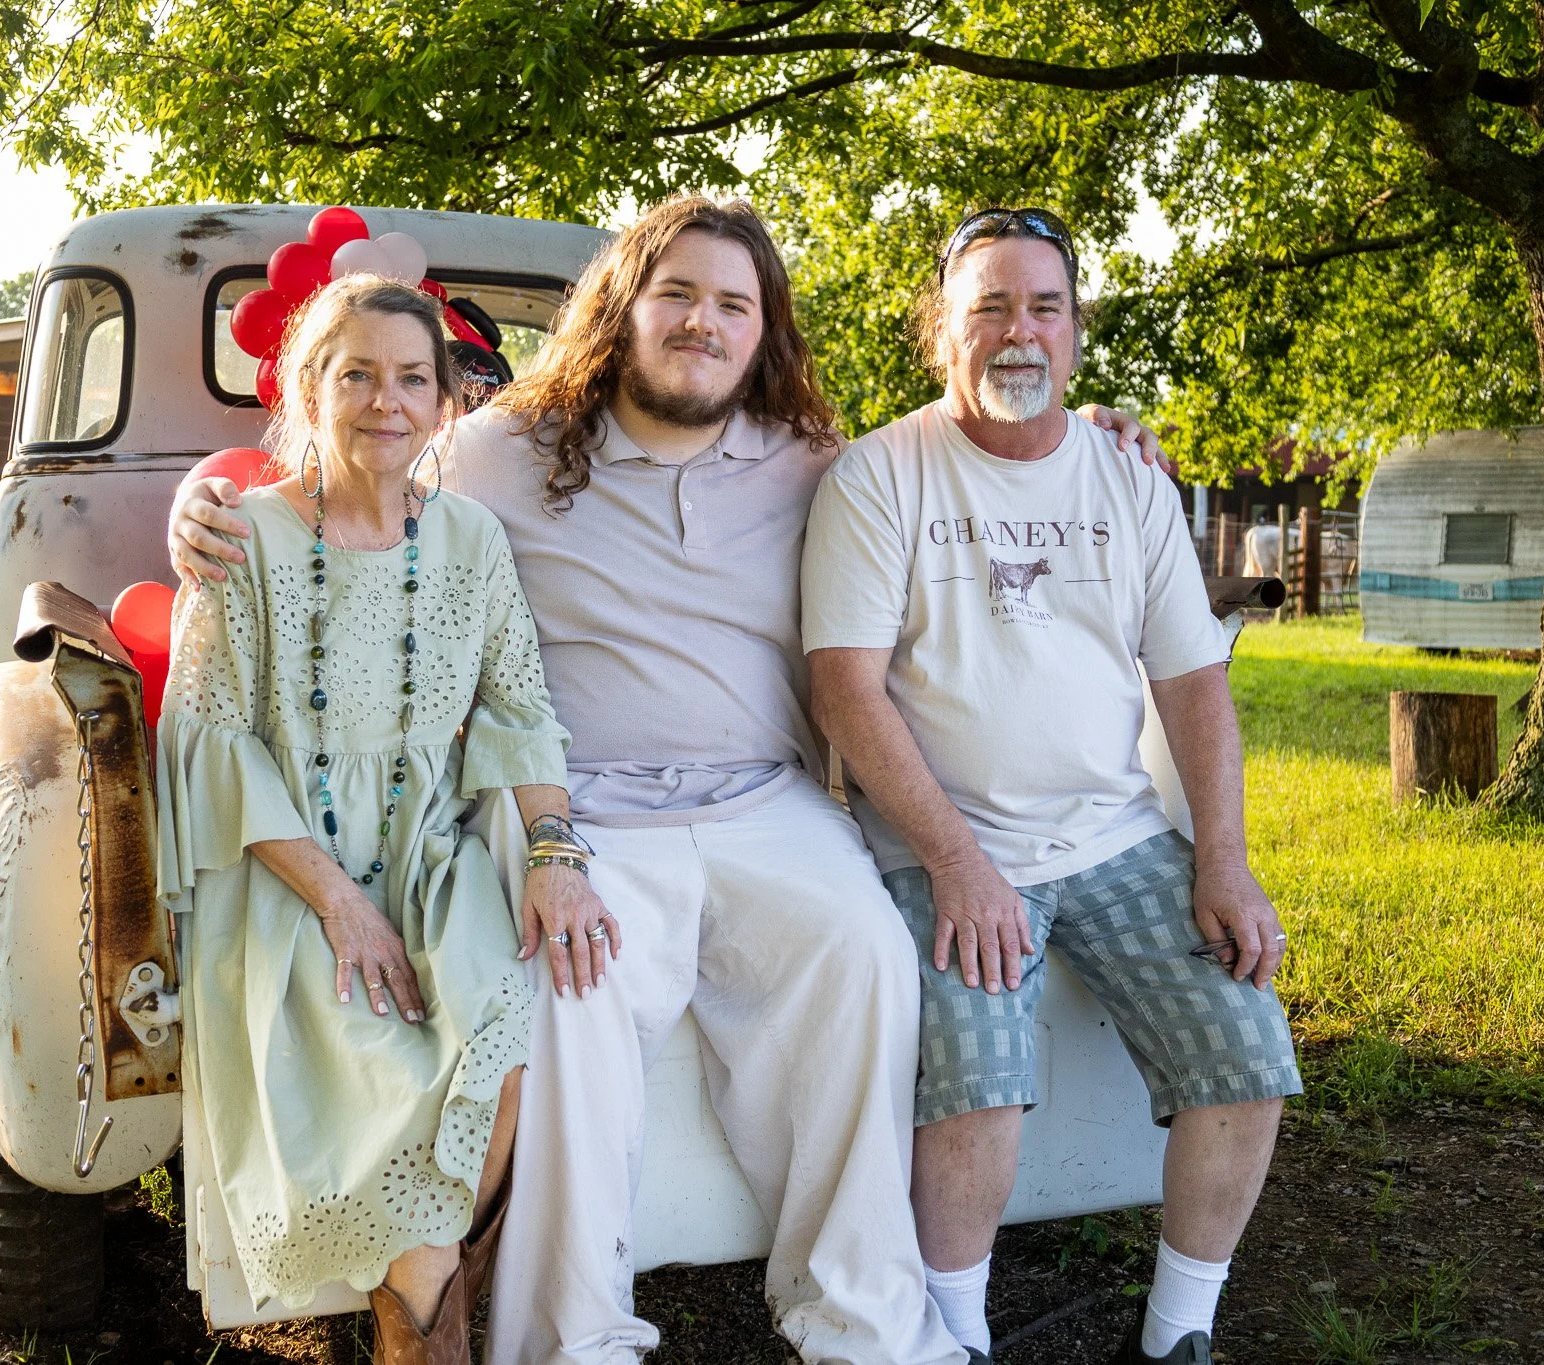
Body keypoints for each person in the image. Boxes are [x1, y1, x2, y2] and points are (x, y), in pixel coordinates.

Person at [167, 197, 1169, 1365]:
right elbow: (356, 473)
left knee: (861, 955)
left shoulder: (815, 466)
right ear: (622, 306)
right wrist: (203, 498)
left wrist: (1093, 423)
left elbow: (973, 458)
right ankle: (570, 1338)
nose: (703, 322)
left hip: (764, 802)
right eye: (677, 295)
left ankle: (863, 1322)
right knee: (572, 991)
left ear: (762, 331)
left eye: (732, 305)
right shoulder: (502, 449)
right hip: (585, 809)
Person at [802, 207, 1304, 1365]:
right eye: (987, 308)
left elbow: (1190, 681)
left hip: (1114, 836)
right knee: (977, 1080)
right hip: (945, 841)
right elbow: (845, 692)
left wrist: (1222, 860)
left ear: (1075, 334)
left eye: (1042, 307)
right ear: (940, 334)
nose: (1015, 332)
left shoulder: (1126, 477)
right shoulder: (880, 476)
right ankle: (955, 1337)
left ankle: (1178, 1334)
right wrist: (957, 865)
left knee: (1243, 1046)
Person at [156, 274, 607, 1365]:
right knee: (375, 1068)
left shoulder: (470, 542)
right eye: (355, 374)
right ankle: (426, 1333)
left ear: (446, 402)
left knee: (500, 1052)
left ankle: (418, 1311)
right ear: (310, 387)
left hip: (429, 855)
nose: (385, 401)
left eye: (412, 378)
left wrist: (552, 851)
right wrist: (342, 906)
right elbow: (209, 741)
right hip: (285, 873)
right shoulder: (242, 539)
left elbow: (520, 711)